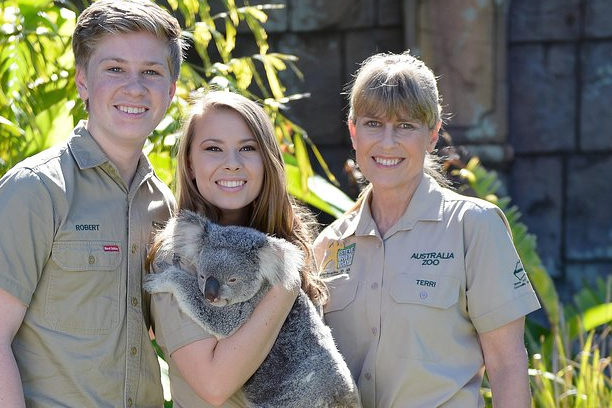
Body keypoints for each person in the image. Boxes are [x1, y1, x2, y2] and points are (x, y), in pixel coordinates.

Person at [0, 0, 185, 407]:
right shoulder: (34, 191)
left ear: (171, 91)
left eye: (151, 72)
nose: (134, 88)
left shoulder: (163, 205)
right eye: (115, 68)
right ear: (83, 80)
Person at [314, 52, 541, 407]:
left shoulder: (473, 227)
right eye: (373, 123)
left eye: (405, 125)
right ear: (353, 131)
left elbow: (507, 365)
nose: (387, 142)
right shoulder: (327, 246)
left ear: (432, 135)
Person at [146, 90, 328, 407]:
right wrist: (286, 285)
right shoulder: (178, 259)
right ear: (189, 164)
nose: (232, 164)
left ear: (267, 160)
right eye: (213, 149)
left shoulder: (284, 242)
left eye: (247, 148)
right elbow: (215, 384)